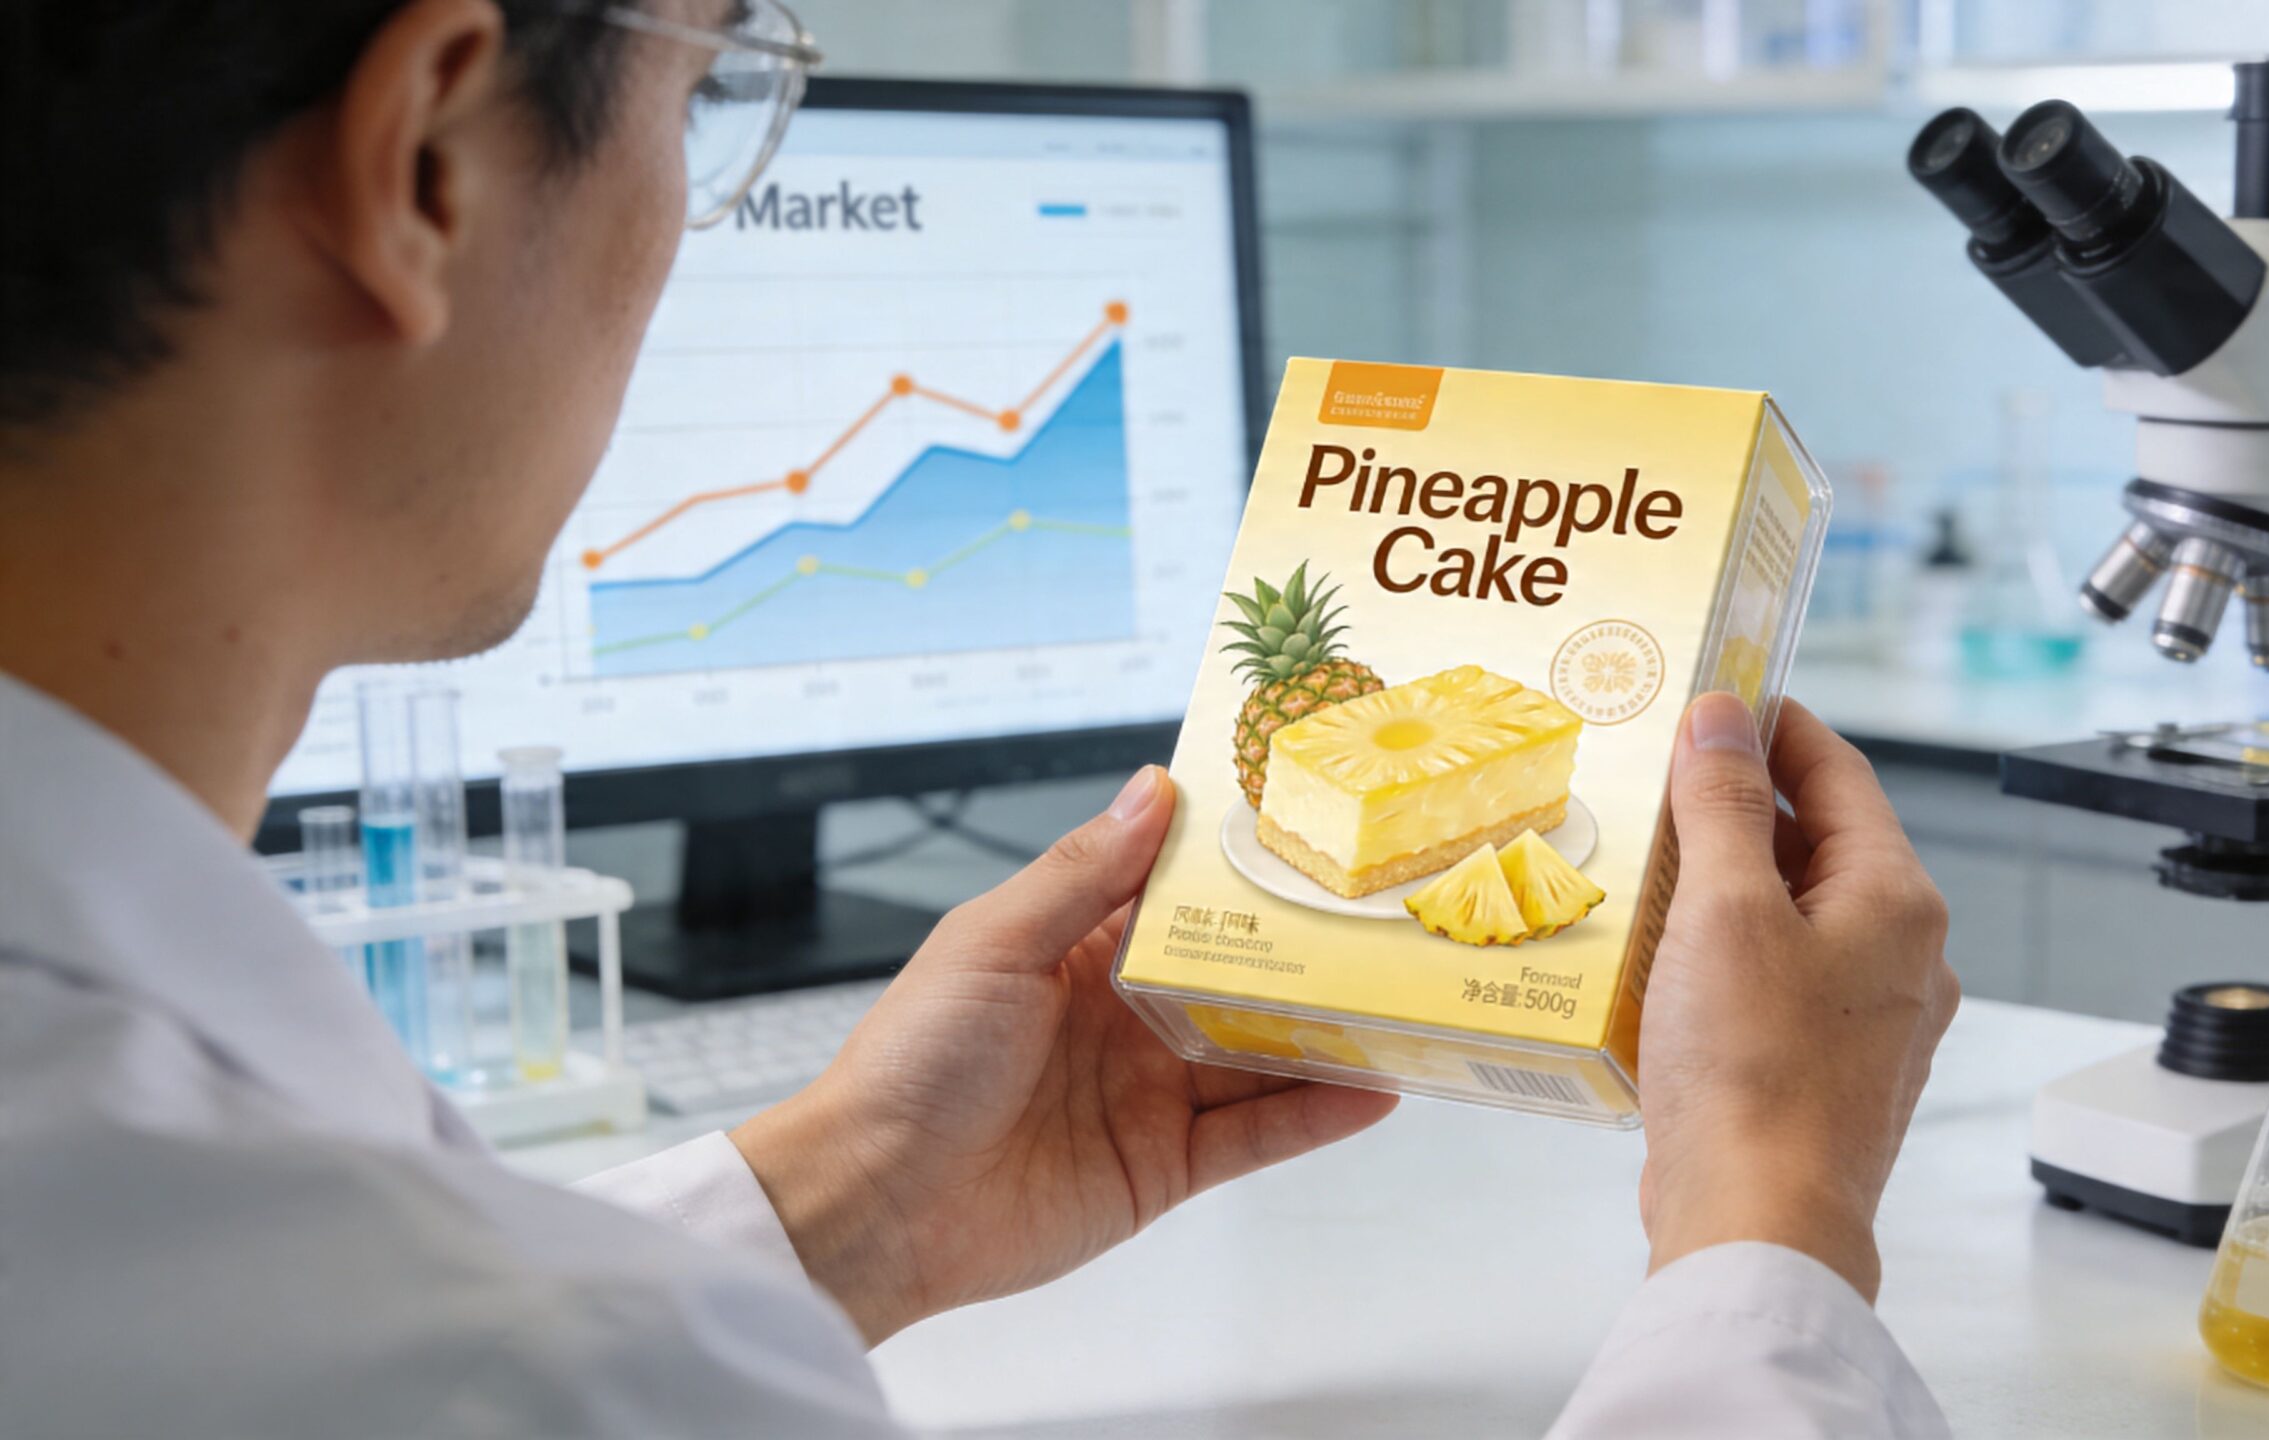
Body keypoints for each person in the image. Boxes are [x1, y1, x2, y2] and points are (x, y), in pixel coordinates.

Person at [0, 1, 1961, 1434]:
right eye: (710, 89)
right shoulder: (514, 1371)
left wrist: (851, 1197)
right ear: (426, 162)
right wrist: (1769, 1222)